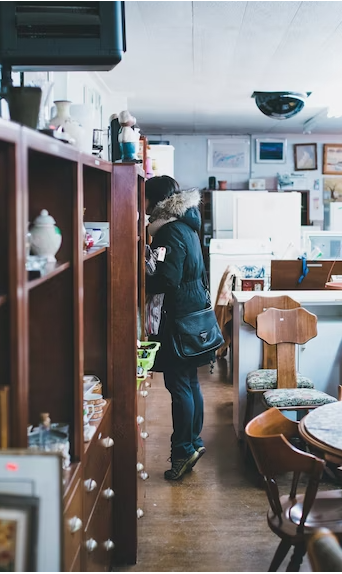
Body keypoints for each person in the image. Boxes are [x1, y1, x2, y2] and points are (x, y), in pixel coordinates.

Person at [145, 176, 214, 480]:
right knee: (190, 382)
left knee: (179, 385)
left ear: (154, 201)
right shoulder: (187, 226)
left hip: (179, 317)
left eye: (143, 198)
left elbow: (167, 279)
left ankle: (183, 451)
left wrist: (140, 279)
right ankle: (194, 443)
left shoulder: (168, 232)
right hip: (193, 313)